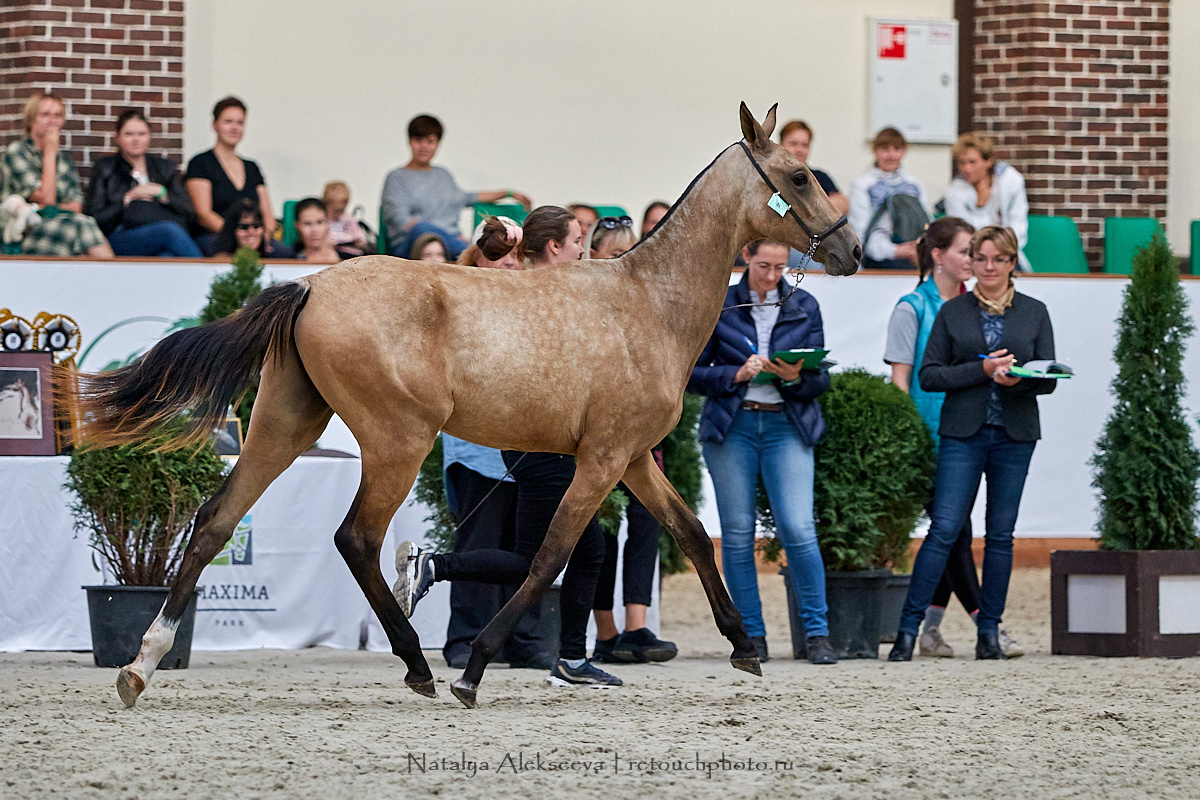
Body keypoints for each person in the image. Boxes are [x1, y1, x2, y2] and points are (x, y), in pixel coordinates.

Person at [396, 206, 618, 688]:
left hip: (543, 443)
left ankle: (571, 658)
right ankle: (434, 567)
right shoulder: (531, 294)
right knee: (537, 559)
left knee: (583, 551)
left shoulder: (554, 291)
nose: (585, 250)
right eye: (577, 241)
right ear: (555, 248)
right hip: (545, 442)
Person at [888, 225, 1057, 662]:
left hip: (1015, 434)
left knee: (1001, 535)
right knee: (944, 529)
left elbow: (1049, 381)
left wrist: (1015, 379)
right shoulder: (954, 311)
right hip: (962, 432)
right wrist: (980, 373)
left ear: (1012, 262)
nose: (988, 267)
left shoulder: (1034, 312)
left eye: (997, 260)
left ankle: (988, 633)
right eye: (980, 258)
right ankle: (907, 630)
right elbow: (931, 375)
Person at [687, 238, 838, 666]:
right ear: (747, 257)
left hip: (785, 424)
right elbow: (691, 373)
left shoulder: (804, 304)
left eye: (780, 268)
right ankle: (751, 634)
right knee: (736, 535)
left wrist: (793, 377)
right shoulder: (721, 302)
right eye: (764, 266)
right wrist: (734, 374)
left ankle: (817, 633)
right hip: (732, 425)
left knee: (799, 529)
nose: (772, 277)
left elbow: (820, 379)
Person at [582, 215, 678, 664]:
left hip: (638, 431)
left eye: (628, 253)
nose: (624, 262)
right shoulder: (582, 301)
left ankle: (637, 625)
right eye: (616, 254)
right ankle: (605, 629)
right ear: (594, 255)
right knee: (601, 527)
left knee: (645, 521)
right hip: (599, 434)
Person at [380, 114, 532, 261]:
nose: (424, 146)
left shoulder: (443, 175)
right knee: (421, 229)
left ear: (437, 144)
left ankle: (474, 250)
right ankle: (474, 251)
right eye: (418, 140)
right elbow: (403, 223)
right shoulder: (396, 178)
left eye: (430, 141)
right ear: (410, 142)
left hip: (449, 244)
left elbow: (468, 197)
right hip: (412, 246)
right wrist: (445, 235)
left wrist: (508, 193)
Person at [1, 92, 113, 258]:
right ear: (31, 119)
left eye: (58, 115)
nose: (52, 120)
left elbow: (76, 206)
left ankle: (109, 277)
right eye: (45, 115)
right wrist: (50, 153)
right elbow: (47, 199)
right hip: (22, 232)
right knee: (79, 225)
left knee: (81, 223)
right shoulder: (17, 152)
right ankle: (113, 278)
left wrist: (49, 209)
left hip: (63, 224)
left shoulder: (65, 159)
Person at [84, 109, 201, 258]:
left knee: (166, 256)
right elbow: (94, 217)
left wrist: (161, 192)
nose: (136, 139)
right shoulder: (106, 168)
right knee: (169, 231)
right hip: (120, 235)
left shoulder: (165, 168)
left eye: (141, 134)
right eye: (129, 134)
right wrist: (126, 201)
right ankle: (210, 277)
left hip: (159, 233)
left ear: (149, 137)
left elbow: (189, 212)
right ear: (117, 137)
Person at [185, 96, 278, 250]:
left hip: (254, 240)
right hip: (215, 238)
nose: (234, 127)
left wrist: (264, 237)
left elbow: (268, 214)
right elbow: (203, 214)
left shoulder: (252, 167)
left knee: (285, 253)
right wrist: (237, 237)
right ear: (215, 125)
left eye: (240, 122)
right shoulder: (200, 163)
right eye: (228, 122)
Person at [943, 132, 1031, 271]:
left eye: (972, 162)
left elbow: (1018, 226)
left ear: (988, 161)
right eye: (962, 162)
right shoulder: (955, 189)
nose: (966, 168)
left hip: (1006, 253)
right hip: (972, 257)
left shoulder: (1011, 181)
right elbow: (960, 233)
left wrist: (998, 252)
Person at [849, 127, 929, 270]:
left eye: (897, 149)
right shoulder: (863, 184)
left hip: (914, 255)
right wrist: (894, 251)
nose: (891, 155)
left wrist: (917, 249)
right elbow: (860, 229)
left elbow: (926, 222)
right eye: (885, 149)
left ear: (903, 151)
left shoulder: (914, 185)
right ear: (875, 151)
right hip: (877, 258)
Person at [778, 120, 848, 215]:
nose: (799, 150)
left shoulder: (819, 177)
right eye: (793, 144)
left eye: (805, 145)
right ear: (781, 144)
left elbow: (842, 205)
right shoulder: (771, 177)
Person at [207, 198, 272, 259]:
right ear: (232, 230)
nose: (251, 232)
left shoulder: (275, 260)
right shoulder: (220, 262)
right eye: (243, 227)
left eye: (256, 226)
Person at [292, 197, 347, 262]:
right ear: (297, 225)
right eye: (307, 224)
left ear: (328, 222)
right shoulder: (289, 261)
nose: (314, 230)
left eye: (319, 222)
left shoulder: (347, 258)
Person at [322, 180, 368, 256]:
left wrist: (358, 242)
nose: (338, 214)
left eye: (341, 210)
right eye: (335, 210)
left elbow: (360, 238)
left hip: (350, 253)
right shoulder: (322, 220)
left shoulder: (348, 219)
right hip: (331, 253)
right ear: (327, 204)